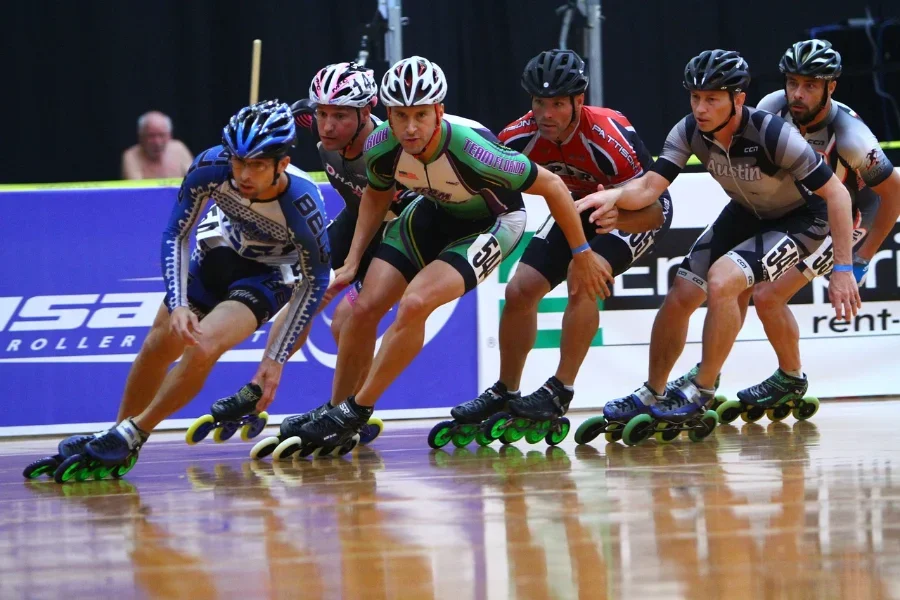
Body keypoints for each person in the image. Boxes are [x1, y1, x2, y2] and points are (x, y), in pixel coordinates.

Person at [268, 55, 610, 459]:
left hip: (492, 222)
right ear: (387, 115)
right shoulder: (382, 145)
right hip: (431, 214)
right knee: (363, 309)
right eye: (400, 116)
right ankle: (337, 411)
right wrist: (354, 259)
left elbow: (552, 186)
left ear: (439, 112)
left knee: (415, 303)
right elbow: (376, 196)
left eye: (420, 115)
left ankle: (357, 409)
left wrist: (583, 252)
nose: (410, 128)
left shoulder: (474, 150)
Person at [25, 100, 331, 482]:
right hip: (219, 252)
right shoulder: (210, 167)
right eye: (238, 162)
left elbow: (315, 281)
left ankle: (136, 432)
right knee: (159, 344)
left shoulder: (303, 207)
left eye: (256, 165)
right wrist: (179, 301)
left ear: (281, 164)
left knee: (202, 345)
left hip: (268, 275)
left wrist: (276, 358)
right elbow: (177, 233)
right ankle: (117, 434)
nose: (243, 174)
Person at [577, 49, 859, 444]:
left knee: (724, 279)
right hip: (747, 212)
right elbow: (648, 188)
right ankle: (651, 391)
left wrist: (844, 269)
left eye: (712, 98)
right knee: (681, 292)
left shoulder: (774, 134)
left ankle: (702, 388)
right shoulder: (689, 130)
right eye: (695, 97)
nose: (701, 107)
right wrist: (613, 198)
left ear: (738, 99)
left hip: (801, 219)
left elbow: (839, 197)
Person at [449, 49, 672, 433]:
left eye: (556, 105)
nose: (546, 114)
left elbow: (659, 209)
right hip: (574, 208)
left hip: (632, 212)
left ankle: (560, 389)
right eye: (539, 103)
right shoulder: (517, 137)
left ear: (578, 101)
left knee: (582, 274)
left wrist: (615, 222)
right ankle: (507, 389)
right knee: (520, 290)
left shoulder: (609, 136)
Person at [729, 39, 900, 411]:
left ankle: (790, 378)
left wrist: (862, 257)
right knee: (736, 281)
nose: (797, 94)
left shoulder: (853, 138)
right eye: (793, 82)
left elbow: (894, 195)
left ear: (831, 87)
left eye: (810, 85)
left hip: (846, 217)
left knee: (767, 295)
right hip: (799, 211)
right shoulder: (772, 107)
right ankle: (707, 374)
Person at [121, 111, 193, 180]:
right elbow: (137, 190)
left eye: (162, 135)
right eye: (151, 136)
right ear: (141, 137)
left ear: (170, 135)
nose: (157, 142)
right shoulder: (131, 156)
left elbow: (194, 181)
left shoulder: (179, 149)